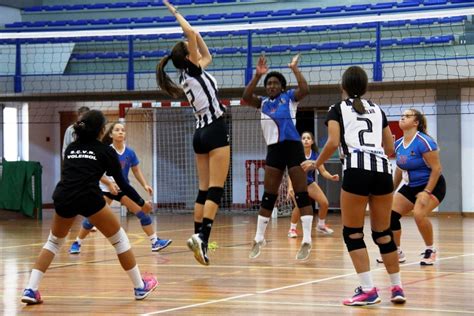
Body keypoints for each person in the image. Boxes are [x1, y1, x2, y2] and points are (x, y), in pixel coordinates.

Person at [21, 110, 157, 305]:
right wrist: (142, 203)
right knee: (119, 240)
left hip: (64, 195)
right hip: (88, 197)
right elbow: (123, 185)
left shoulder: (71, 148)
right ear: (102, 130)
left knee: (53, 242)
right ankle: (140, 287)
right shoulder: (105, 151)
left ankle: (31, 289)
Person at [302, 66, 405, 305]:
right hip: (382, 171)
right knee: (383, 233)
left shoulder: (336, 109)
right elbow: (390, 149)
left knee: (353, 232)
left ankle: (368, 290)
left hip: (356, 169)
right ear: (366, 87)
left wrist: (317, 164)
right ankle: (397, 288)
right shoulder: (378, 110)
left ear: (343, 87)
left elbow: (333, 142)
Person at [157, 0, 230, 266]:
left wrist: (196, 38)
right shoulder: (193, 70)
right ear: (189, 57)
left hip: (199, 134)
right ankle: (203, 237)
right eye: (191, 50)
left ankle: (196, 235)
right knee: (216, 189)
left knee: (203, 189)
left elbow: (200, 44)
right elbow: (191, 34)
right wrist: (175, 12)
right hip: (215, 128)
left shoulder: (187, 75)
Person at [243, 54, 314, 261]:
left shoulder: (289, 97)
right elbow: (246, 96)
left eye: (275, 83)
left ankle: (307, 239)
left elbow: (305, 90)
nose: (271, 86)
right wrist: (257, 75)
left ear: (282, 87)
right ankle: (258, 238)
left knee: (301, 194)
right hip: (274, 150)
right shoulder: (263, 103)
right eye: (269, 83)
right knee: (269, 195)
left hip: (293, 148)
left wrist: (294, 69)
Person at [68, 122, 172, 254]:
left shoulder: (130, 153)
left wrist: (145, 184)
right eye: (117, 130)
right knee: (92, 219)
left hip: (122, 190)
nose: (121, 132)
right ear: (111, 134)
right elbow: (96, 173)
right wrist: (110, 184)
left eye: (123, 130)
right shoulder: (105, 151)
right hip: (105, 189)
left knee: (142, 213)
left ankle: (154, 241)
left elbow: (136, 171)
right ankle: (77, 242)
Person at [377, 109, 445, 265]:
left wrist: (426, 192)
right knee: (390, 215)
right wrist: (391, 191)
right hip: (411, 186)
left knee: (419, 214)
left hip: (432, 185)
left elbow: (437, 169)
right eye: (402, 115)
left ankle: (430, 249)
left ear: (416, 122)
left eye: (407, 116)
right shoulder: (399, 144)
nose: (403, 117)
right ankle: (396, 251)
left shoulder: (424, 141)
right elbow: (400, 169)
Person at [287, 131, 339, 238]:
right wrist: (290, 187)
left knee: (324, 203)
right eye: (303, 138)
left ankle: (321, 225)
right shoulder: (297, 154)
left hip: (309, 183)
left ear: (312, 141)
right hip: (298, 183)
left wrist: (331, 177)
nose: (306, 140)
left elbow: (323, 171)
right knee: (299, 206)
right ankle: (292, 229)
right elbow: (291, 172)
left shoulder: (316, 155)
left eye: (308, 138)